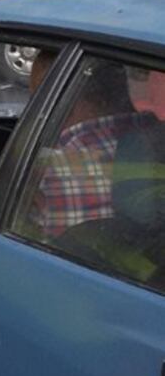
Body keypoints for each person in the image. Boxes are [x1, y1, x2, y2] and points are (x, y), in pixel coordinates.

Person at [28, 51, 157, 239]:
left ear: (57, 104)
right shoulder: (154, 134)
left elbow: (46, 252)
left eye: (36, 100)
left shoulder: (57, 169)